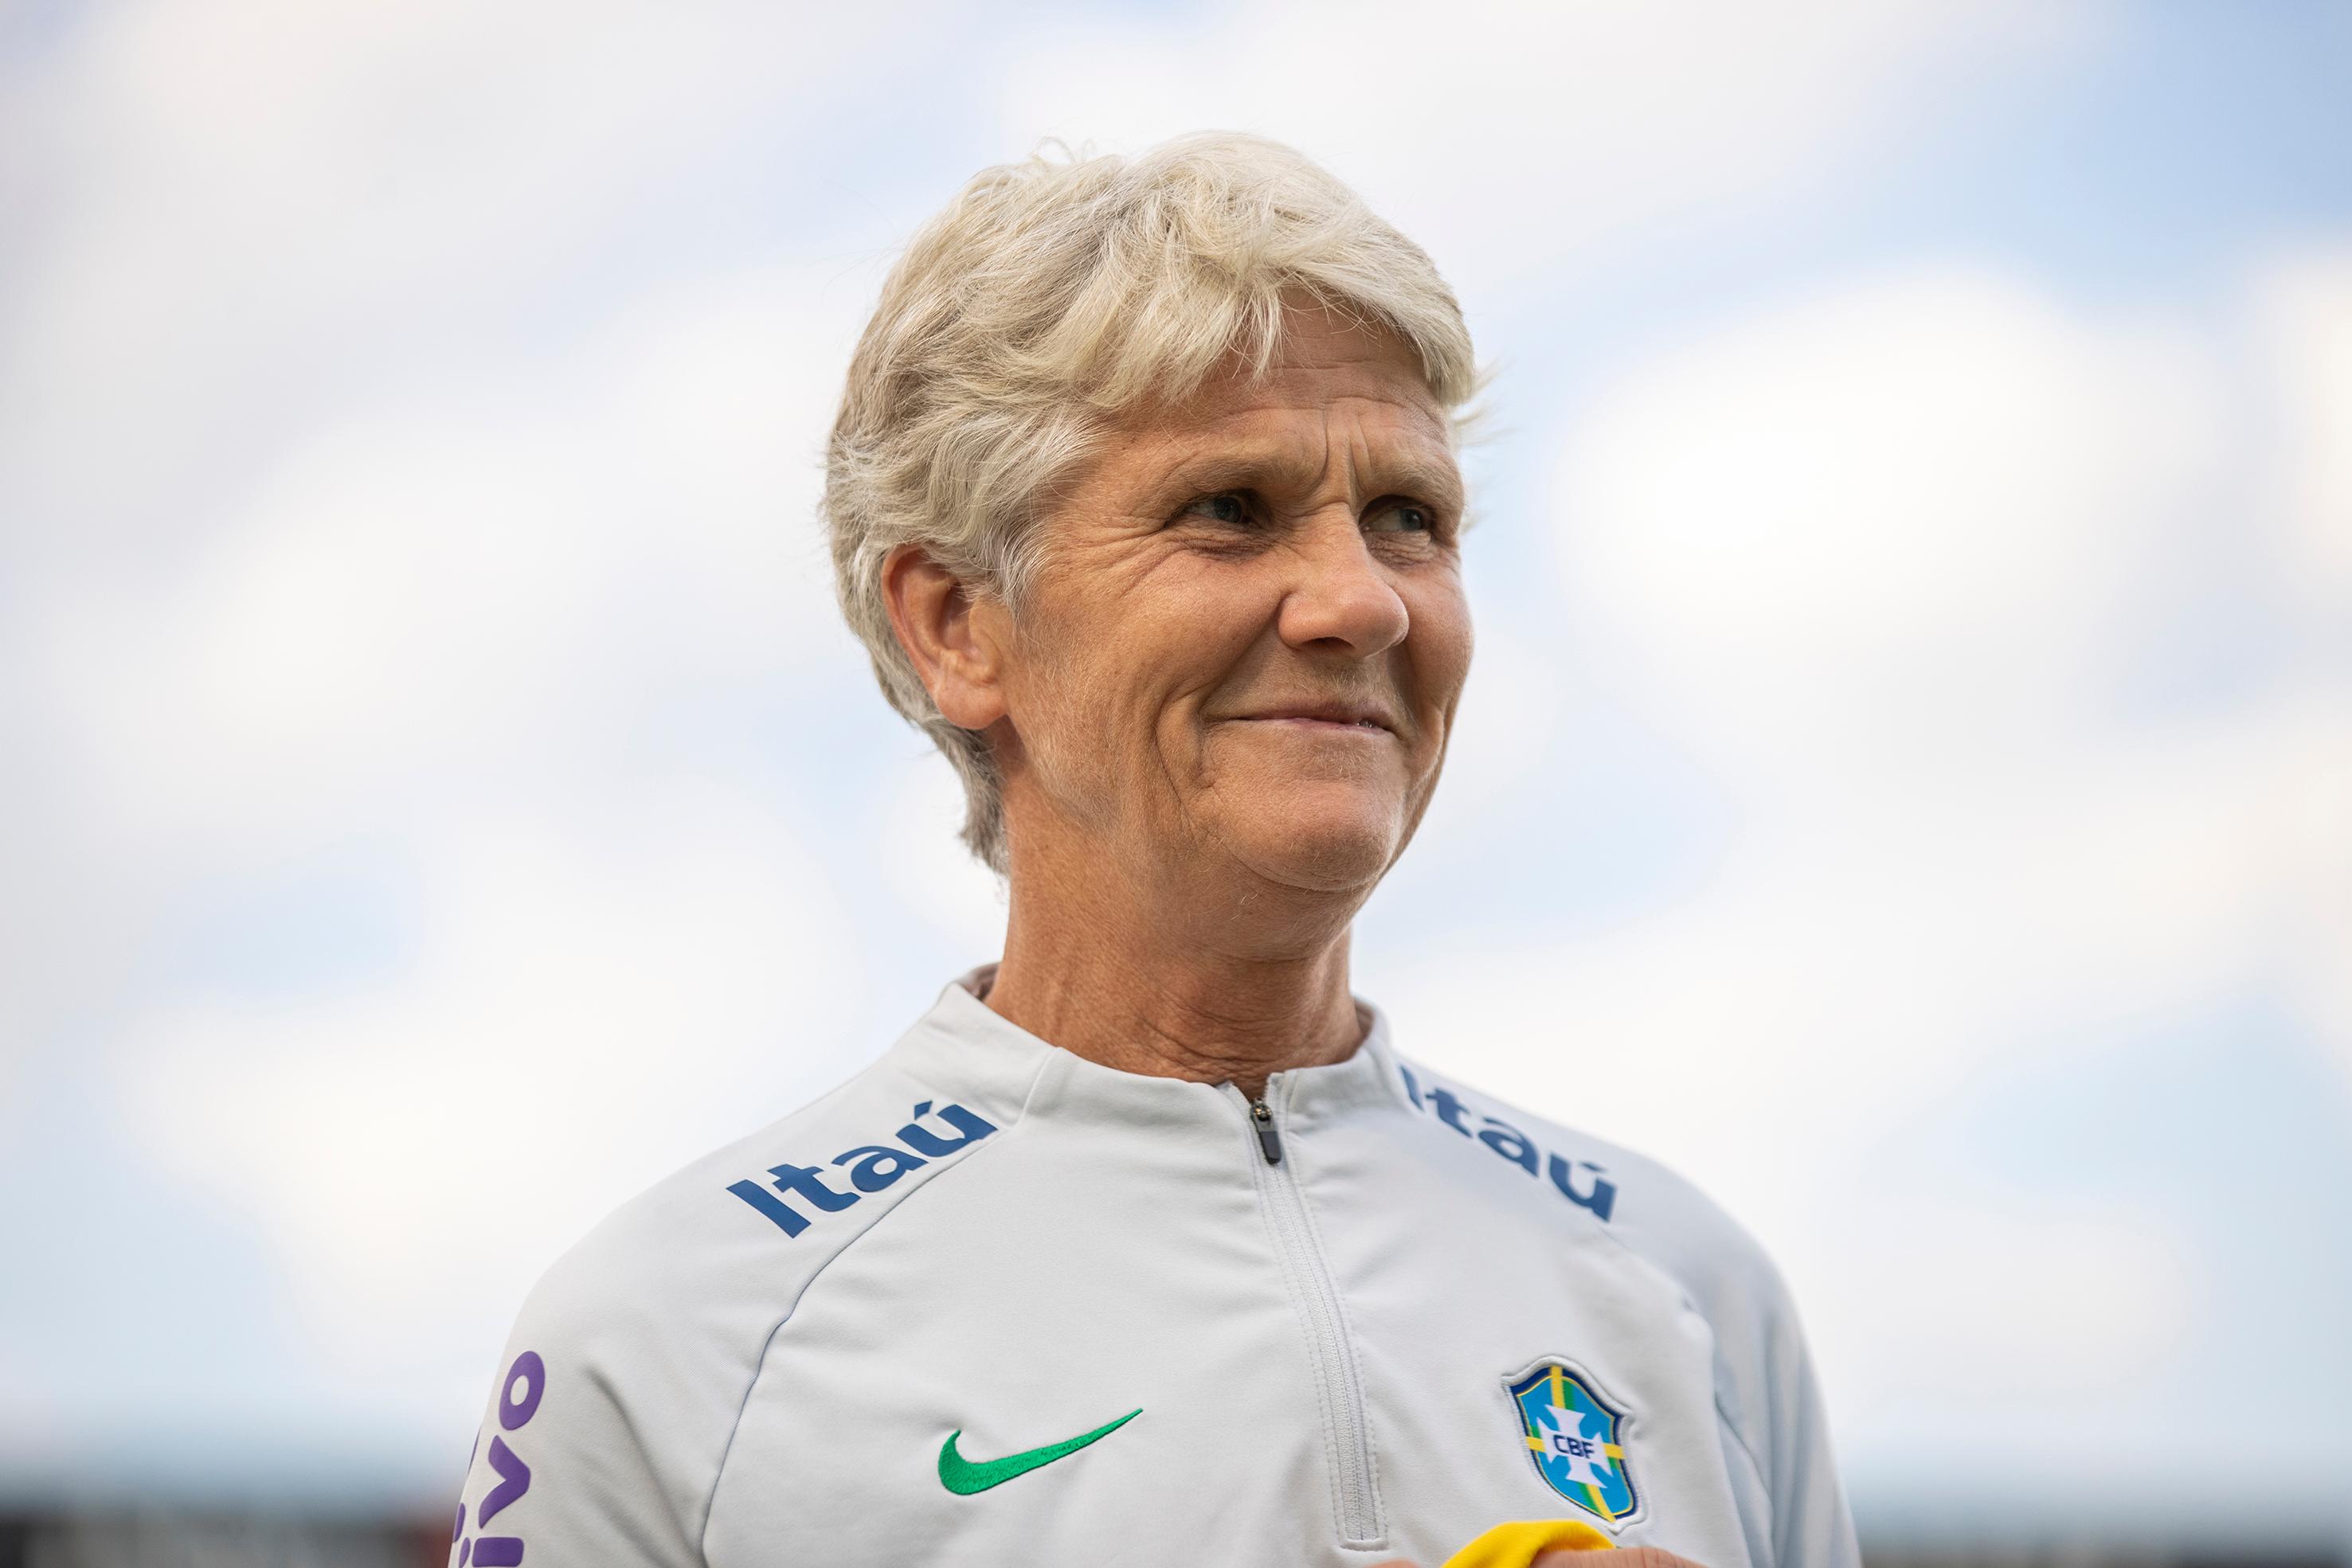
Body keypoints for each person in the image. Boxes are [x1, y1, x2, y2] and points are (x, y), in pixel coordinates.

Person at [444, 132, 1860, 1568]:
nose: (1359, 600)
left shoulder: (1686, 1285)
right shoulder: (678, 1338)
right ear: (957, 623)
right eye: (1228, 511)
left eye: (1407, 519)